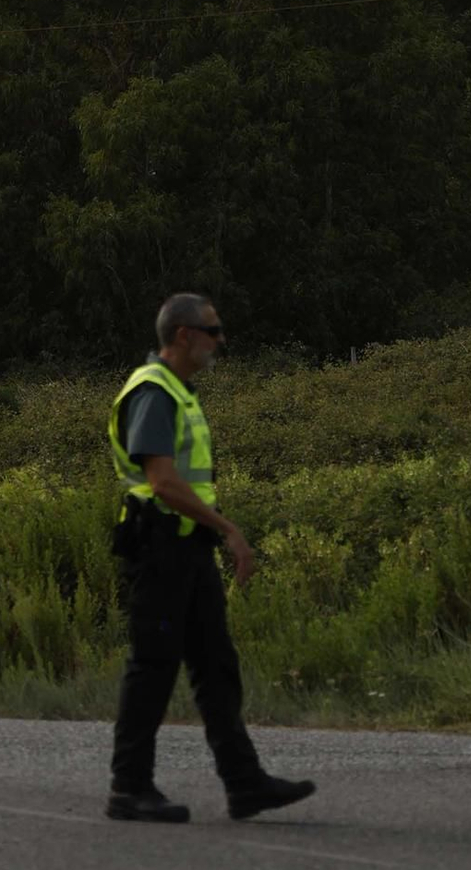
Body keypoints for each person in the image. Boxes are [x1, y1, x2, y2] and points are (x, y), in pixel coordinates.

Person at [105, 292, 316, 825]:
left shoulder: (180, 392)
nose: (221, 340)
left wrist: (212, 534)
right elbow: (162, 481)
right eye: (213, 330)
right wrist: (228, 529)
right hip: (160, 549)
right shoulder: (154, 391)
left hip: (187, 549)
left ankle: (244, 784)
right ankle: (129, 788)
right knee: (153, 669)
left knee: (216, 669)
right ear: (183, 335)